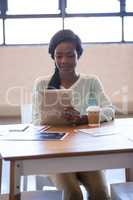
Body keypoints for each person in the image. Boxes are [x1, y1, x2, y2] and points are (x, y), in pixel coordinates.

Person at [32, 29, 115, 200]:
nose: (64, 61)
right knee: (73, 194)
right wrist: (55, 118)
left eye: (70, 55)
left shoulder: (91, 82)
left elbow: (109, 110)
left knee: (100, 193)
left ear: (78, 56)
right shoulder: (42, 84)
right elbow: (34, 121)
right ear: (53, 57)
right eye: (59, 56)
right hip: (54, 156)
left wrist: (84, 118)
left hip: (87, 153)